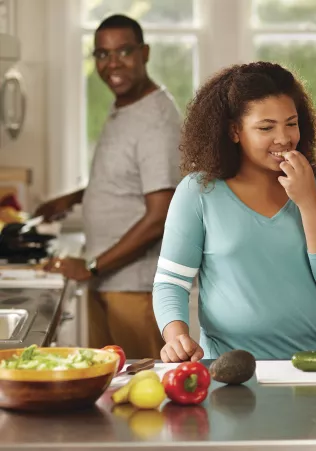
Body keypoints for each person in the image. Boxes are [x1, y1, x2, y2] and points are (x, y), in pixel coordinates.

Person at [153, 62, 316, 362]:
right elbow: (172, 282)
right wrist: (177, 337)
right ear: (235, 131)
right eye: (266, 127)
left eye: (291, 123)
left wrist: (309, 201)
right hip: (228, 370)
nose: (284, 138)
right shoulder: (198, 192)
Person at [37, 14, 181, 359]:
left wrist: (89, 267)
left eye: (123, 51)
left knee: (146, 391)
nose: (112, 63)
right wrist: (71, 198)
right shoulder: (125, 108)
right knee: (111, 391)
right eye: (102, 54)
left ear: (144, 53)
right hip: (107, 280)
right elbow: (125, 180)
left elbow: (160, 215)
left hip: (136, 289)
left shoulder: (156, 120)